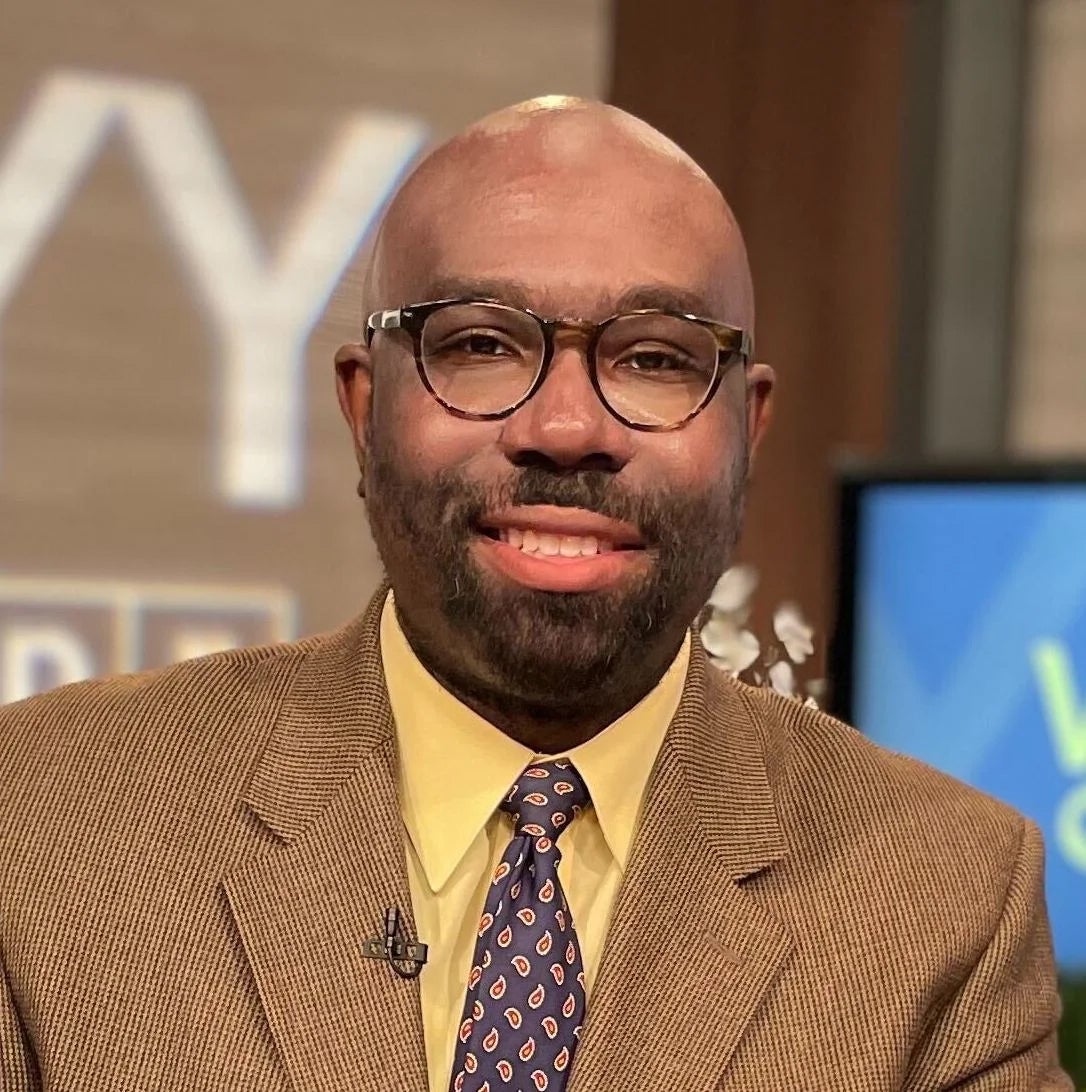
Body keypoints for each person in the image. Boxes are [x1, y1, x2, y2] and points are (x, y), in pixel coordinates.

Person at [0, 97, 1071, 1092]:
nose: (567, 430)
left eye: (654, 358)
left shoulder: (947, 903)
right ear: (364, 408)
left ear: (748, 429)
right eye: (480, 344)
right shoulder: (43, 823)